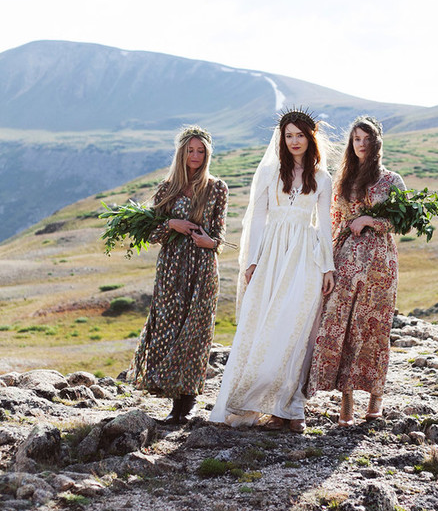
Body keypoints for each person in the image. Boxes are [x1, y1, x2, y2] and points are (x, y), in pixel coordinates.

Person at [209, 109, 334, 433]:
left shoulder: (322, 177)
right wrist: (252, 261)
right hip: (271, 257)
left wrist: (327, 268)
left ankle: (291, 409)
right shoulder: (270, 173)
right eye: (289, 135)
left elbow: (323, 226)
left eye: (300, 135)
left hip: (305, 257)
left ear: (310, 138)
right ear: (282, 138)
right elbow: (259, 219)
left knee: (296, 331)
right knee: (263, 327)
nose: (294, 141)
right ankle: (254, 403)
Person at [306, 116, 405, 425]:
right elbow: (334, 222)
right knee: (342, 326)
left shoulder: (392, 180)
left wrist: (370, 221)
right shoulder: (344, 179)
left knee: (375, 328)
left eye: (366, 139)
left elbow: (403, 221)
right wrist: (328, 264)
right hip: (346, 261)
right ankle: (346, 397)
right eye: (356, 139)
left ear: (376, 143)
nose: (361, 144)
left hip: (379, 264)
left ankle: (375, 397)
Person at [128, 125, 228, 423]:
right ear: (181, 152)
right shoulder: (166, 188)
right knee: (169, 327)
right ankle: (171, 398)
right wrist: (173, 224)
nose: (195, 156)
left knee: (195, 333)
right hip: (172, 267)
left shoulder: (217, 187)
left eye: (201, 151)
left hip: (202, 267)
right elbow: (152, 233)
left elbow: (220, 235)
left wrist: (209, 242)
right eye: (190, 150)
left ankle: (186, 405)